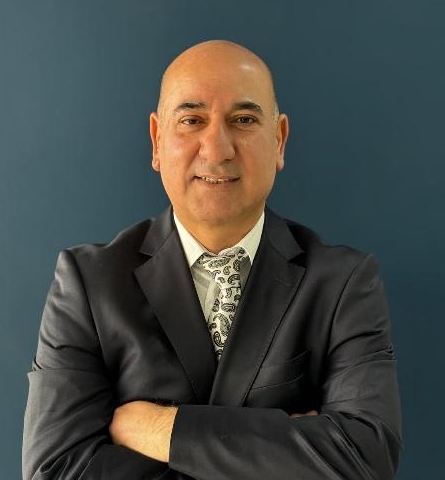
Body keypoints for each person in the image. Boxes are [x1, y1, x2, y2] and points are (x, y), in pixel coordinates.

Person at [23, 40, 402, 480]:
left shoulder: (343, 283)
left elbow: (364, 461)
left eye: (243, 120)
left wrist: (160, 430)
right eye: (192, 120)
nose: (217, 149)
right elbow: (56, 470)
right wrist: (286, 451)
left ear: (279, 140)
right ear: (157, 141)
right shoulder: (88, 283)